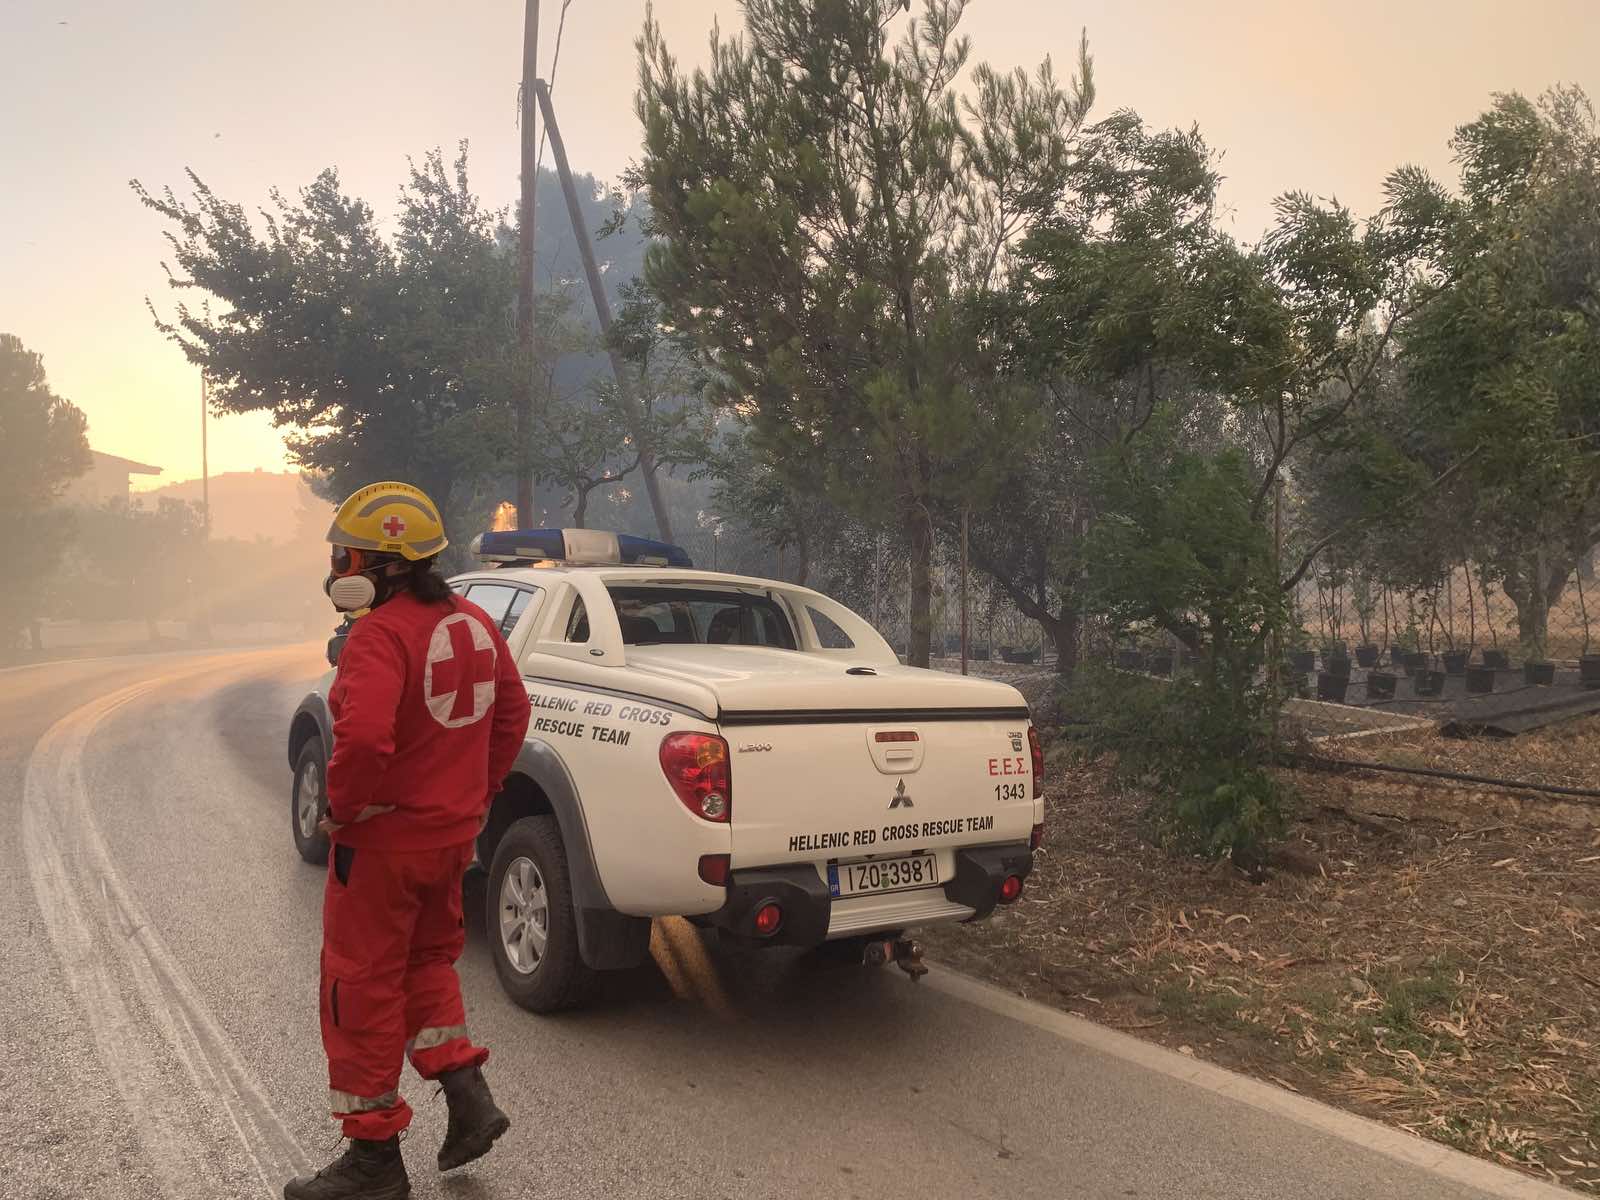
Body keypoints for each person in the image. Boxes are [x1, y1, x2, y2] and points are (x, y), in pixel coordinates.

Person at [285, 482, 532, 1200]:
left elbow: (361, 737)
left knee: (357, 987)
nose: (337, 565)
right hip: (449, 841)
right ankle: (469, 1098)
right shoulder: (475, 620)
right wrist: (477, 794)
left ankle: (372, 1163)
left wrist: (344, 809)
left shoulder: (378, 636)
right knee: (426, 965)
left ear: (384, 562)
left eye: (346, 554)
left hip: (384, 844)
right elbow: (512, 713)